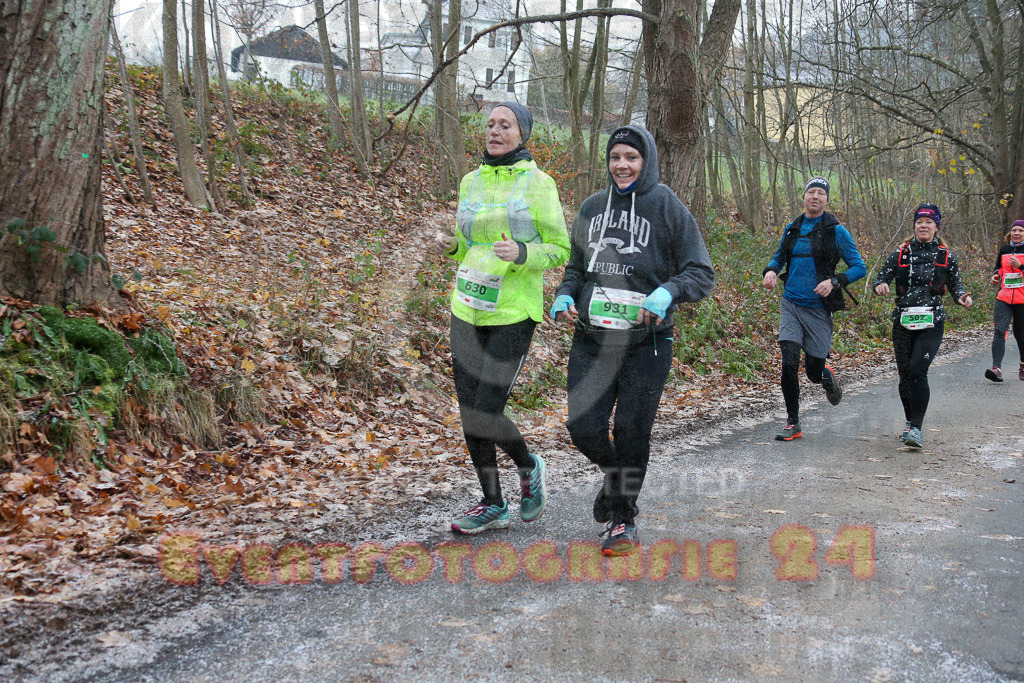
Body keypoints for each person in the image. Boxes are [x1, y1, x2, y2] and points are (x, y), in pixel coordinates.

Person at [551, 126, 714, 557]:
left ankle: (623, 518)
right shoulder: (590, 208)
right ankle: (616, 480)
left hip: (647, 343)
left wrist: (667, 293)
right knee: (583, 428)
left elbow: (700, 272)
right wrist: (565, 293)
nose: (622, 165)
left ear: (647, 162)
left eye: (631, 157)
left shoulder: (668, 207)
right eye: (615, 157)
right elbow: (576, 267)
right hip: (592, 339)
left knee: (631, 430)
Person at [434, 102, 570, 534]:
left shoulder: (539, 184)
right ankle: (493, 502)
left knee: (488, 409)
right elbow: (466, 241)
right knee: (469, 413)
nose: (495, 131)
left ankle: (529, 466)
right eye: (490, 124)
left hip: (513, 311)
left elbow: (561, 249)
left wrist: (524, 253)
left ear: (521, 133)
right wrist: (450, 247)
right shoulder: (470, 181)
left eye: (505, 125)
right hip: (467, 306)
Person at [762, 177, 866, 441]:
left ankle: (825, 374)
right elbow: (779, 256)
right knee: (788, 363)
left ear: (826, 199)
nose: (815, 197)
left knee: (812, 372)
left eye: (821, 193)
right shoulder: (792, 228)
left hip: (819, 308)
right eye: (811, 192)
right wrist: (772, 270)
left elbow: (858, 267)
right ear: (804, 197)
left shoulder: (836, 231)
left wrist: (835, 281)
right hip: (792, 303)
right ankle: (793, 422)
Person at [873, 203, 972, 448]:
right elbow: (880, 278)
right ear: (915, 226)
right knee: (905, 374)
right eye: (919, 222)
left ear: (936, 227)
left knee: (918, 369)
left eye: (929, 222)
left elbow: (956, 285)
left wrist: (962, 297)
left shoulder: (945, 256)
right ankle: (909, 422)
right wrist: (880, 286)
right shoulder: (901, 253)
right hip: (904, 320)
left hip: (932, 321)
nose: (924, 226)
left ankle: (917, 427)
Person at [984, 219, 1024, 382]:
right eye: (1014, 230)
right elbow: (998, 268)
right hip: (1004, 297)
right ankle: (996, 368)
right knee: (1000, 331)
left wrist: (1021, 266)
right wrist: (995, 276)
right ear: (1010, 233)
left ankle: (1023, 364)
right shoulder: (1005, 250)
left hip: (1023, 299)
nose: (1017, 233)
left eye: (1021, 230)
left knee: (1021, 335)